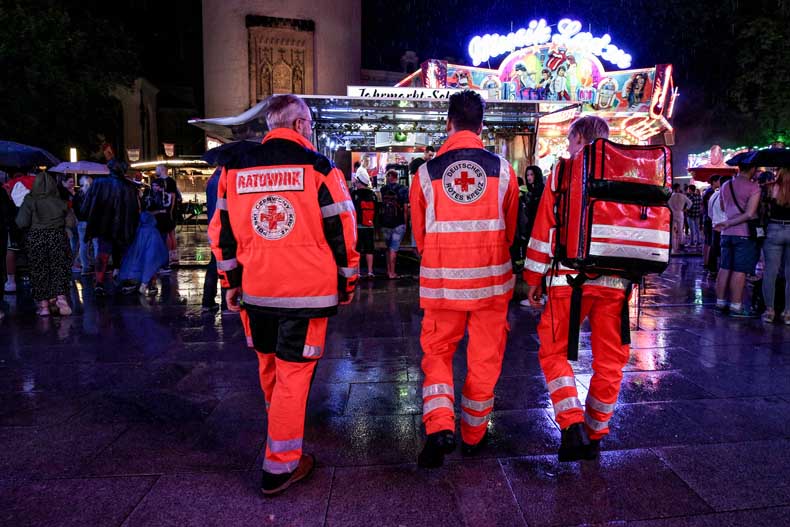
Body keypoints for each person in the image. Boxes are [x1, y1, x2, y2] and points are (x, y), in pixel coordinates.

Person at [208, 94, 359, 495]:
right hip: (306, 296)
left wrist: (231, 285)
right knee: (294, 375)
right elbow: (343, 231)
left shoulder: (233, 170)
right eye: (309, 125)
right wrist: (347, 283)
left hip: (256, 292)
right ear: (298, 126)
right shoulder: (320, 169)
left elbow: (220, 234)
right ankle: (280, 465)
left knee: (271, 368)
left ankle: (281, 435)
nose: (311, 131)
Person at [410, 90, 519, 468]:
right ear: (482, 126)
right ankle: (473, 435)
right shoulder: (504, 170)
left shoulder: (425, 173)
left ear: (448, 123)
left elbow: (420, 237)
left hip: (442, 285)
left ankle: (440, 425)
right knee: (485, 359)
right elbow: (509, 231)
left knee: (438, 355)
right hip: (491, 284)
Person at [524, 115, 633, 462]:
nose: (567, 148)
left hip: (566, 282)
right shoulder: (628, 174)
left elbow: (544, 228)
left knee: (554, 352)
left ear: (581, 141)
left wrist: (532, 279)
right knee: (611, 359)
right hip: (615, 283)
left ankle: (570, 425)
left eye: (571, 142)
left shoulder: (563, 171)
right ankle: (596, 431)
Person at [82, 144, 140, 296]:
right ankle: (121, 278)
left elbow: (86, 206)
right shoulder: (130, 187)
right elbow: (135, 211)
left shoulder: (99, 183)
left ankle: (99, 283)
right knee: (121, 254)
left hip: (104, 226)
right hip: (122, 227)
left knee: (103, 254)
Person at [15, 172, 73, 316]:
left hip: (36, 238)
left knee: (39, 269)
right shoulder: (60, 201)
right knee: (58, 268)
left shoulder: (30, 200)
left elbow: (21, 222)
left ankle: (44, 306)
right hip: (57, 237)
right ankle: (61, 300)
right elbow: (71, 222)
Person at [715, 162, 761, 317]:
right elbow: (749, 214)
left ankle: (720, 302)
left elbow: (722, 207)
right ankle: (736, 305)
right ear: (752, 169)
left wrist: (727, 222)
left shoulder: (726, 185)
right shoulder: (754, 187)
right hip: (744, 233)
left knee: (724, 267)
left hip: (726, 233)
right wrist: (731, 221)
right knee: (739, 270)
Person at [761, 167, 790, 324]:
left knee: (770, 272)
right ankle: (788, 313)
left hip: (774, 229)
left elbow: (763, 211)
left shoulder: (770, 187)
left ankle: (769, 311)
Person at [119, 210, 168, 296]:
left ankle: (136, 283)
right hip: (149, 258)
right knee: (152, 266)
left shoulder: (139, 231)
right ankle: (150, 284)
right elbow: (155, 252)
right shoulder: (153, 232)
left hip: (136, 262)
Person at [201, 166, 226, 313]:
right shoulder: (221, 180)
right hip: (222, 228)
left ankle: (207, 302)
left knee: (214, 264)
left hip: (214, 227)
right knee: (225, 264)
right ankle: (227, 304)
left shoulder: (212, 179)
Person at [379, 169, 409, 279]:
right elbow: (405, 208)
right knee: (394, 249)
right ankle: (392, 273)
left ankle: (388, 271)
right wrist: (405, 223)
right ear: (397, 177)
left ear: (389, 177)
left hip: (385, 223)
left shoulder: (383, 189)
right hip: (398, 223)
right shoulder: (403, 189)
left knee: (388, 248)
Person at [350, 170, 377, 277]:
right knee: (369, 249)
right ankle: (370, 271)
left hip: (358, 226)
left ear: (359, 182)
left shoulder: (354, 194)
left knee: (358, 250)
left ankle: (358, 272)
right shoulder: (373, 194)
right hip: (370, 226)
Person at [155, 165, 179, 268]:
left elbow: (172, 197)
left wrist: (170, 210)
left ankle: (169, 256)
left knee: (167, 234)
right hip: (170, 211)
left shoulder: (159, 181)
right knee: (171, 233)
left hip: (165, 211)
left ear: (162, 170)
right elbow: (174, 196)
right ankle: (173, 256)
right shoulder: (171, 181)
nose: (156, 171)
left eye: (157, 169)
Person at [707, 176, 729, 276]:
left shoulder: (713, 195)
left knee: (714, 248)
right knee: (724, 250)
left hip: (715, 225)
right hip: (726, 227)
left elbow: (709, 213)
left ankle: (712, 270)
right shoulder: (727, 195)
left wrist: (715, 220)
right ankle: (723, 271)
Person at [702, 176, 721, 271]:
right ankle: (707, 263)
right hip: (709, 220)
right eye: (718, 181)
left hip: (707, 219)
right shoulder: (711, 193)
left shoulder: (710, 192)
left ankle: (706, 262)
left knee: (707, 242)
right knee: (709, 242)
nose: (719, 183)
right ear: (714, 182)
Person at [668, 183, 692, 253]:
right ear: (678, 188)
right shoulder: (683, 196)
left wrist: (672, 210)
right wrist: (686, 209)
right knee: (680, 230)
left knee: (672, 231)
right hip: (680, 213)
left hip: (673, 214)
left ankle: (673, 246)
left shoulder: (671, 196)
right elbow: (690, 203)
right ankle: (680, 244)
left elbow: (668, 204)